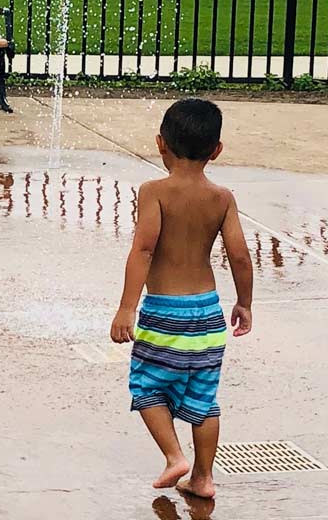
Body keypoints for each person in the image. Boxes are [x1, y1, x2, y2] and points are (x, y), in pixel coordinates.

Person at [109, 99, 254, 499]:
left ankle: (175, 457)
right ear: (217, 150)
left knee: (147, 387)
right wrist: (244, 302)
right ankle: (204, 477)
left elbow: (143, 250)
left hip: (163, 313)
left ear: (160, 143)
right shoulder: (222, 198)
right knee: (204, 398)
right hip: (207, 314)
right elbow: (240, 255)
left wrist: (127, 307)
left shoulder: (154, 191)